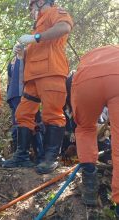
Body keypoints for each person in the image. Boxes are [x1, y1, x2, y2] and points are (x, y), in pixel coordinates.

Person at [2, 0, 73, 174]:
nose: (31, 11)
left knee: (52, 114)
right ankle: (22, 156)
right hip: (33, 77)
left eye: (32, 7)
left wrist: (36, 37)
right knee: (22, 113)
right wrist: (23, 52)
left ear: (41, 2)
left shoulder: (54, 12)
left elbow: (64, 27)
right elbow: (38, 49)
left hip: (51, 72)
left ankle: (50, 159)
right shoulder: (38, 25)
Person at [70, 45, 119, 216]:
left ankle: (89, 185)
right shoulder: (115, 53)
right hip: (116, 76)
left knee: (84, 129)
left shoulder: (87, 59)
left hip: (85, 80)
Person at [5, 53, 44, 166]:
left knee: (28, 122)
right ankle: (35, 156)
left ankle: (32, 156)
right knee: (25, 123)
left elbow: (10, 79)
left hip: (21, 93)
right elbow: (10, 79)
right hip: (19, 93)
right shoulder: (19, 57)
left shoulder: (21, 57)